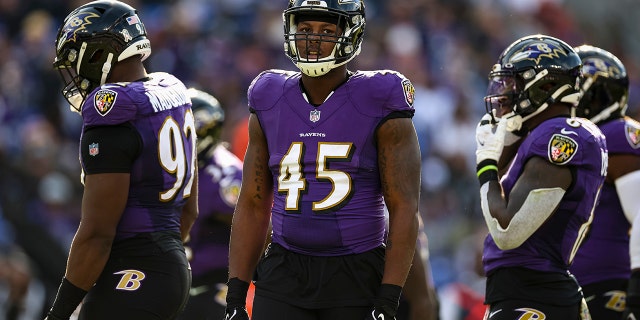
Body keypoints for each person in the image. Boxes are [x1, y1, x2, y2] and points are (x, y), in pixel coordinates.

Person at [223, 0, 423, 319]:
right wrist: (236, 291)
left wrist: (389, 296)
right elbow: (252, 201)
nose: (313, 39)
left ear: (351, 35)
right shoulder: (268, 94)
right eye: (305, 29)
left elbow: (403, 207)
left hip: (355, 270)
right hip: (284, 269)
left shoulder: (380, 96)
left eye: (327, 30)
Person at [45, 1, 198, 319]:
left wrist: (58, 314)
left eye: (78, 61)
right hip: (169, 266)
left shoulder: (113, 111)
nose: (76, 73)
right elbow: (190, 208)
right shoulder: (173, 91)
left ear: (99, 54)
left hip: (134, 270)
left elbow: (97, 234)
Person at [475, 34, 607, 319]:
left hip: (533, 294)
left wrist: (485, 164)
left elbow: (507, 230)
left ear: (545, 85)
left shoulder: (561, 135)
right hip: (528, 291)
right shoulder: (540, 135)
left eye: (514, 83)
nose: (506, 92)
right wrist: (505, 143)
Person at [567, 45, 640, 319]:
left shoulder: (619, 135)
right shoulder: (576, 142)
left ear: (596, 95)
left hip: (611, 285)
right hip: (578, 285)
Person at [178, 88, 243, 319]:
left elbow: (254, 233)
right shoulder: (163, 164)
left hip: (212, 281)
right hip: (172, 277)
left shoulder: (226, 176)